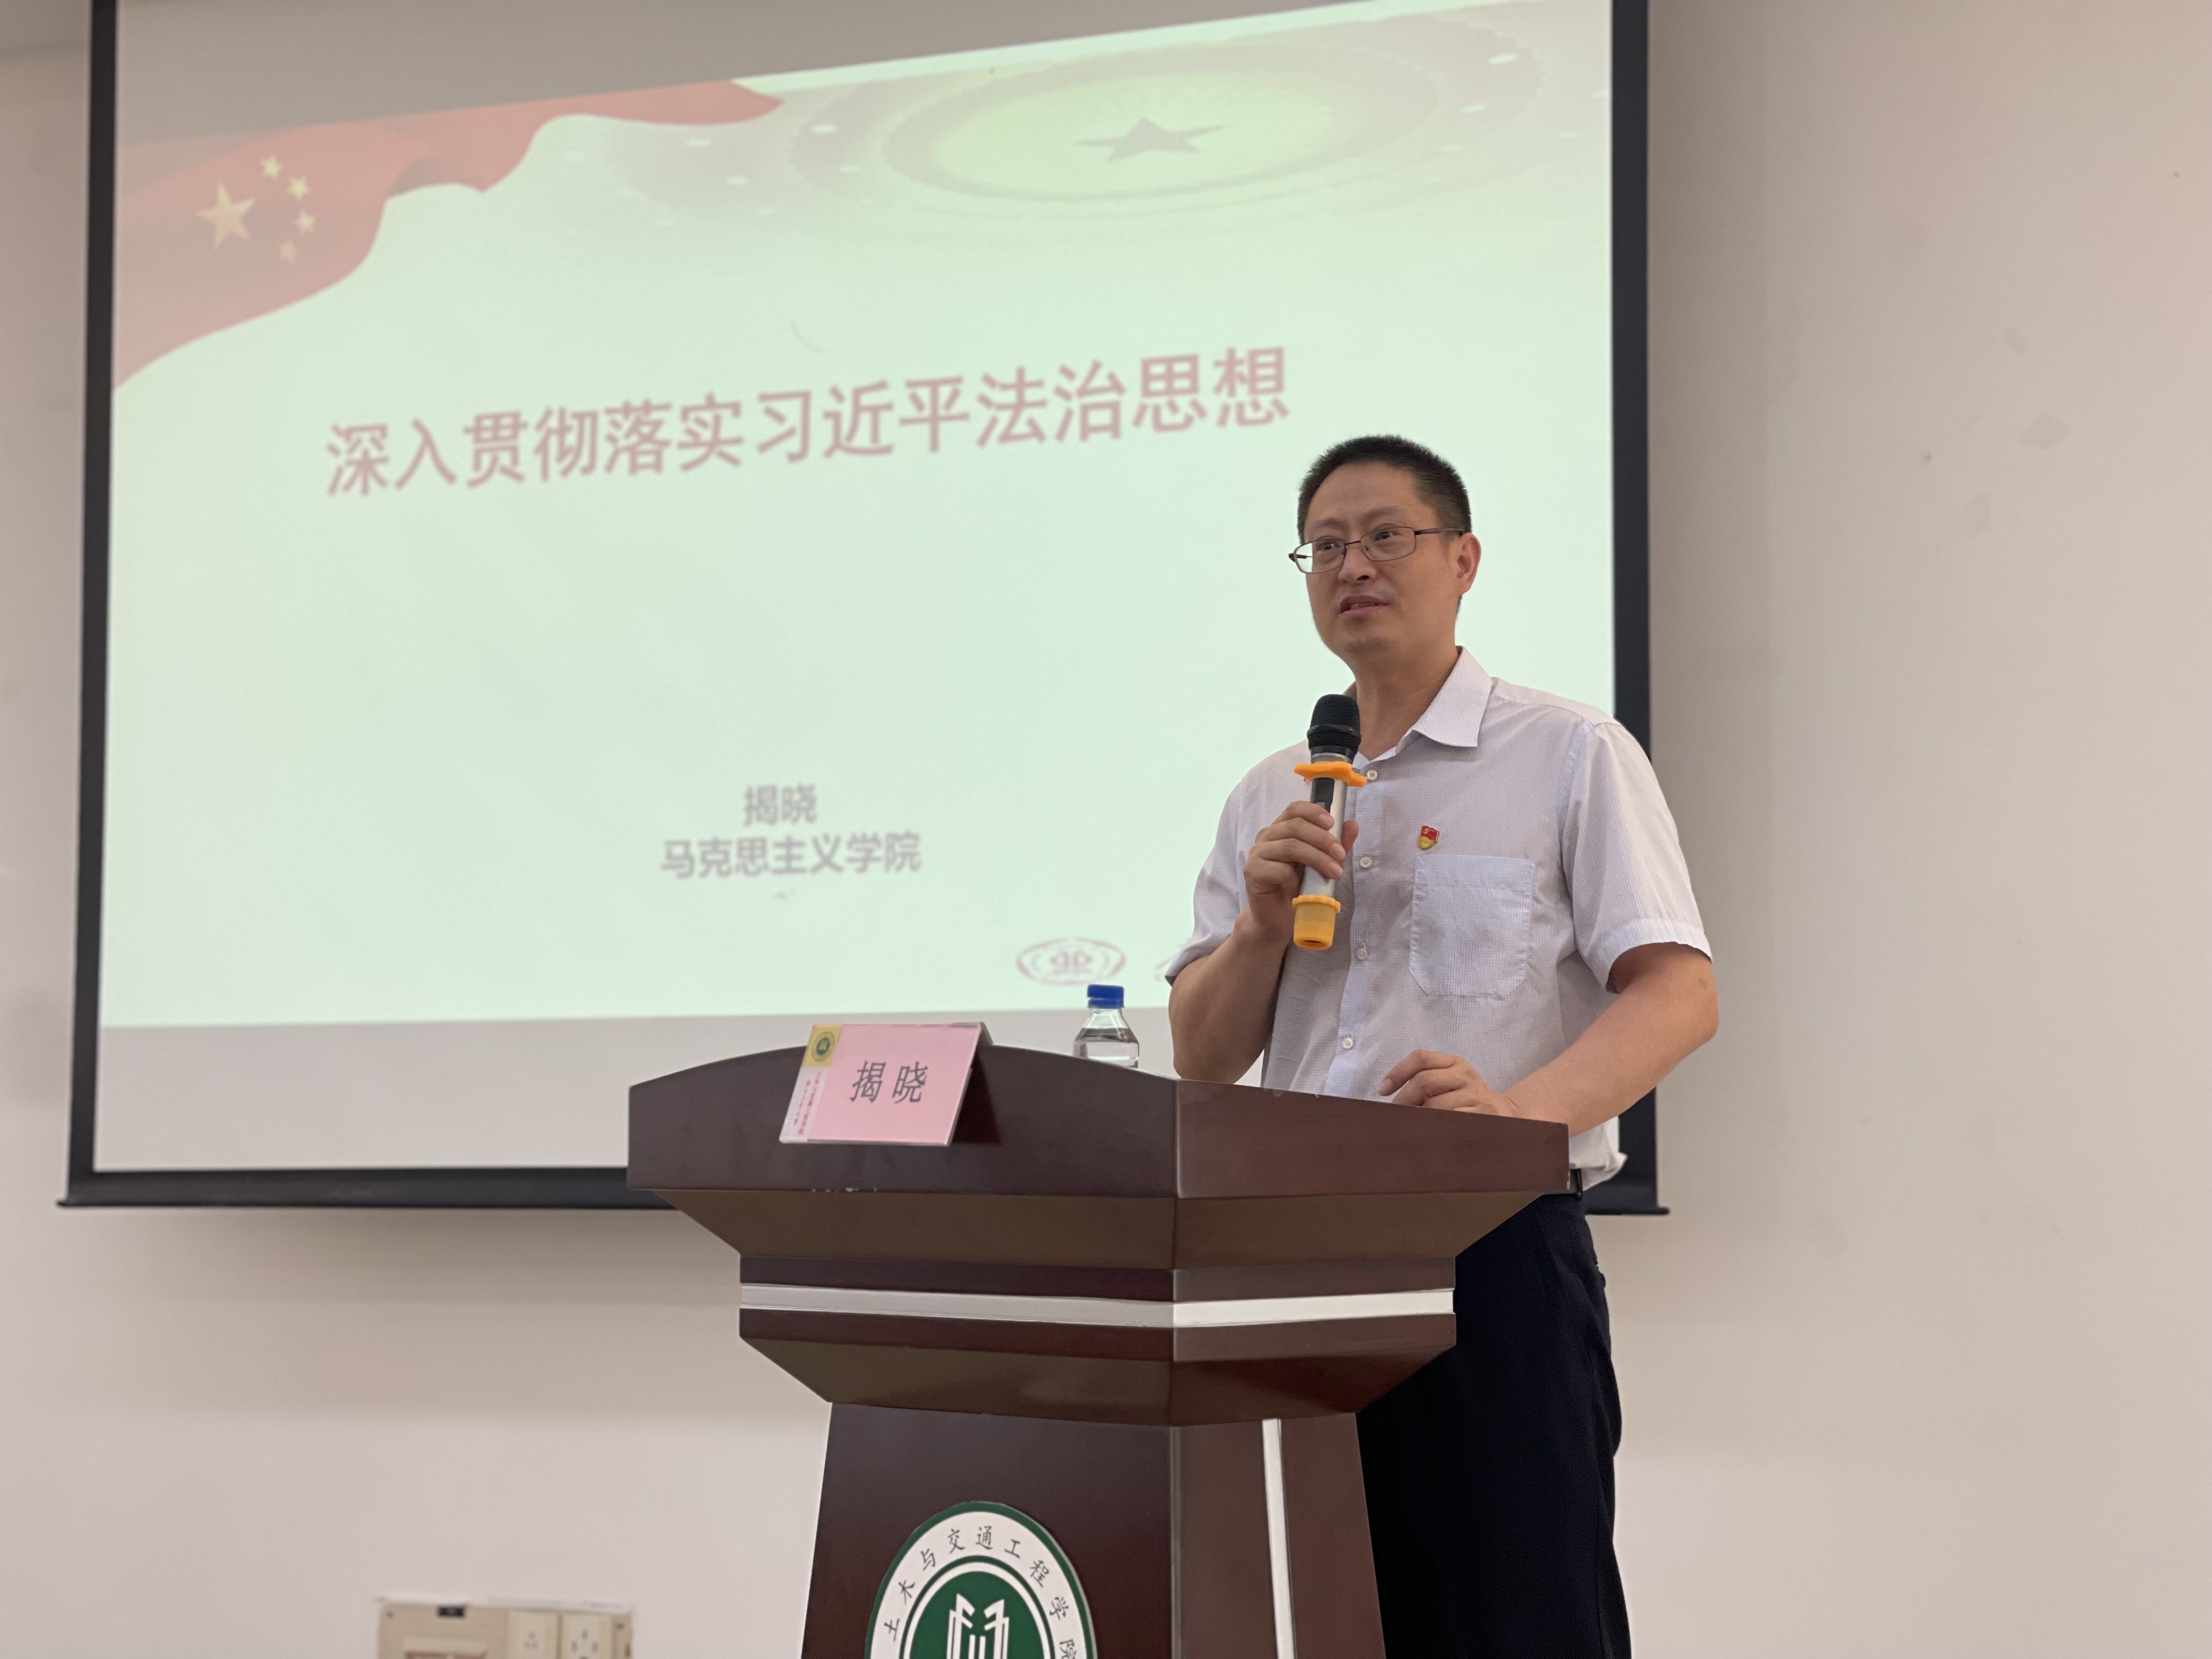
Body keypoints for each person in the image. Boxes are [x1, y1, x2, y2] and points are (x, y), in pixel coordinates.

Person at [1166, 434, 1717, 1658]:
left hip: (1488, 1261)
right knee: (1312, 1619)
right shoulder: (1273, 789)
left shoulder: (1569, 753)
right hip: (1287, 1269)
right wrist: (1259, 929)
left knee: (1515, 1620)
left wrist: (1515, 1119)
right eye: (1325, 546)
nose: (1352, 566)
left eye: (1385, 536)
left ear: (1463, 560)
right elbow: (1202, 1055)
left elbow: (1679, 992)